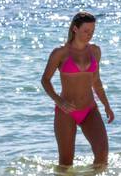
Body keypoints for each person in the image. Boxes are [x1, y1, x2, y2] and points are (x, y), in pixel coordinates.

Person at [40, 11, 113, 167]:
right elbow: (45, 80)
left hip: (89, 109)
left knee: (102, 155)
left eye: (92, 31)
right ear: (75, 29)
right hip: (66, 111)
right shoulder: (60, 53)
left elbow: (96, 81)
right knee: (66, 163)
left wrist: (106, 105)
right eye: (86, 31)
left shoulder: (95, 51)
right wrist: (59, 101)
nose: (90, 34)